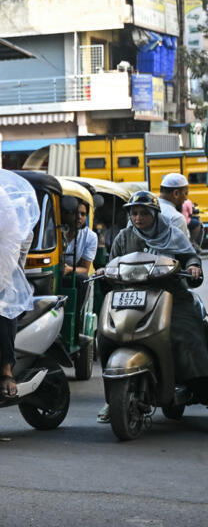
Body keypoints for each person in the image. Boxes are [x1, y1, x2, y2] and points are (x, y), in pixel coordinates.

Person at [99, 190, 208, 422]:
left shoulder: (172, 235)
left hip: (172, 296)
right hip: (130, 296)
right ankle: (113, 399)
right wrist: (103, 271)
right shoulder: (124, 237)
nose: (138, 218)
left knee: (188, 335)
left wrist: (194, 267)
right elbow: (112, 262)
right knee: (108, 334)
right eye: (134, 213)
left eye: (144, 214)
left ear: (155, 215)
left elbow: (190, 257)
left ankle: (201, 387)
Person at [158, 173, 192, 239]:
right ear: (176, 193)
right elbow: (180, 247)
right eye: (185, 193)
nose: (186, 198)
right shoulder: (176, 218)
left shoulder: (149, 208)